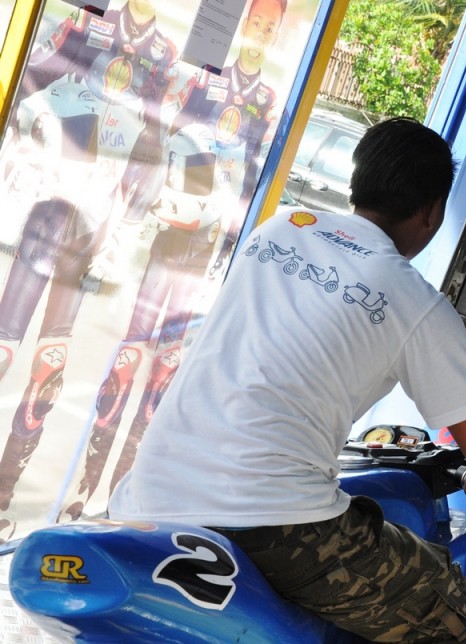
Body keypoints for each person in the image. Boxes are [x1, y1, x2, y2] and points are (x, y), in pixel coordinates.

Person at [108, 117, 466, 642]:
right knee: (450, 613)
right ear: (432, 211)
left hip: (149, 495)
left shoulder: (279, 230)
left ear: (358, 182)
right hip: (269, 520)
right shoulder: (415, 301)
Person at [63, 0, 288, 520]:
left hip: (206, 252)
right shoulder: (201, 79)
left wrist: (230, 244)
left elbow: (253, 175)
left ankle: (126, 498)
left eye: (267, 28)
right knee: (128, 359)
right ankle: (83, 490)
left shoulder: (268, 102)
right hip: (166, 239)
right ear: (242, 26)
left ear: (274, 38)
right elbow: (158, 138)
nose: (257, 33)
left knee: (165, 377)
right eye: (253, 22)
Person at [0, 0, 179, 515]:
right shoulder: (85, 21)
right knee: (5, 344)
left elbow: (157, 142)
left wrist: (128, 218)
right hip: (46, 209)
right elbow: (27, 83)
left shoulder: (165, 58)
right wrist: (42, 150)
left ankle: (6, 493)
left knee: (49, 361)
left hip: (95, 223)